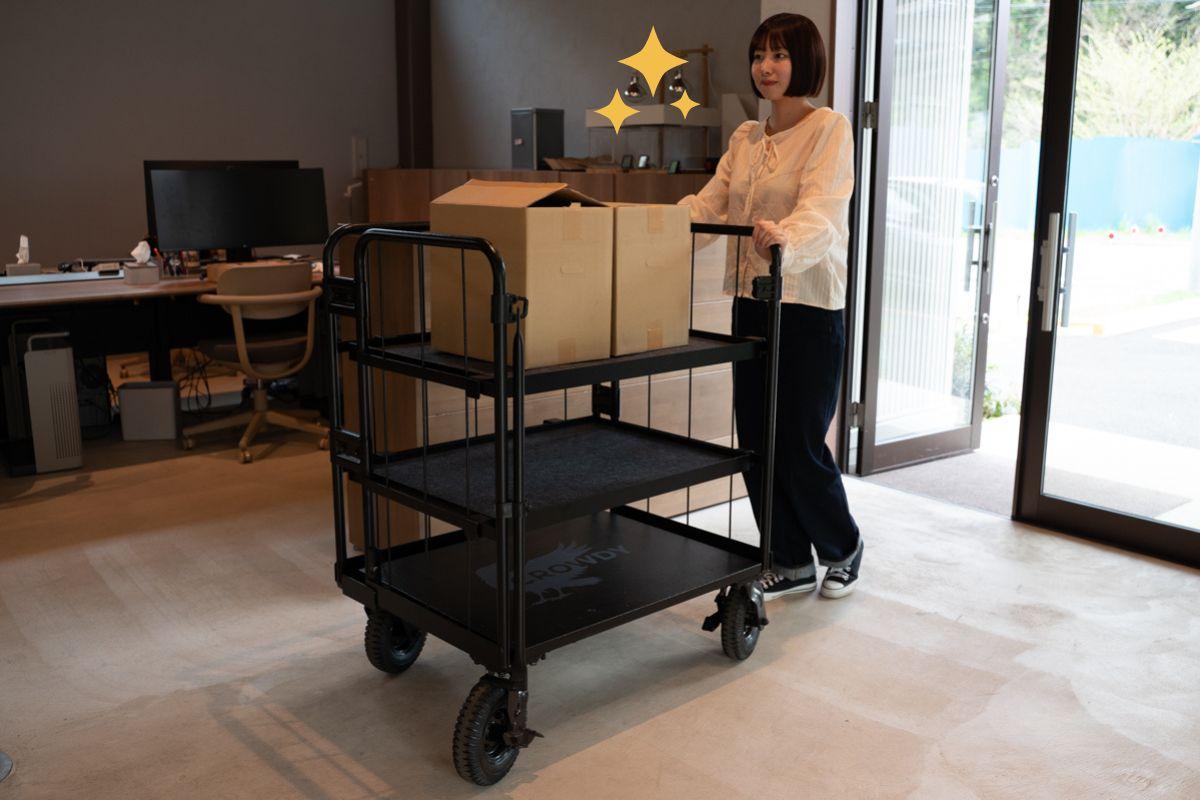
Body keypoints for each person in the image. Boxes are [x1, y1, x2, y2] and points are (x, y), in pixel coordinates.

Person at [678, 12, 862, 600]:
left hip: (807, 303)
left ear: (804, 62)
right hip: (750, 302)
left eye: (780, 54)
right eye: (760, 54)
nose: (766, 66)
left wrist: (785, 238)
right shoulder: (745, 139)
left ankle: (842, 547)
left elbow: (823, 210)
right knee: (756, 439)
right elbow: (709, 205)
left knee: (799, 442)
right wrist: (650, 226)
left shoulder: (829, 128)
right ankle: (787, 557)